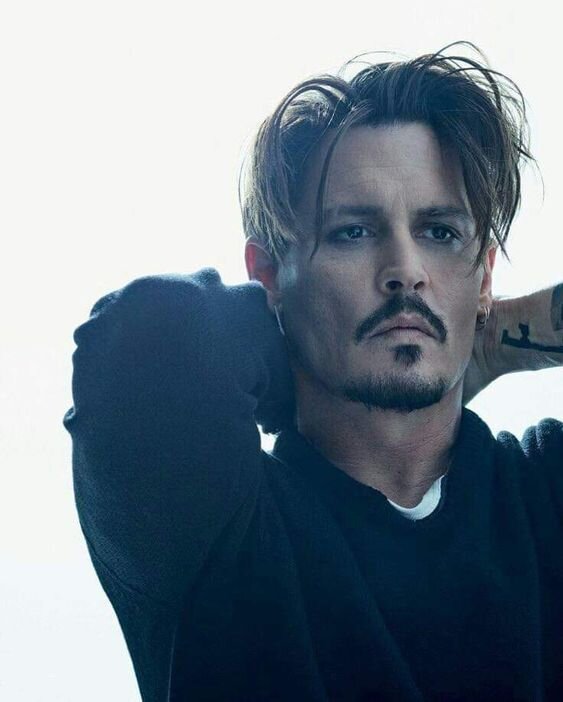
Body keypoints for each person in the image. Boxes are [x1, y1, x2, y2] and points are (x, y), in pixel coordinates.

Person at [63, 42, 563, 701]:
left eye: (439, 232)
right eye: (354, 232)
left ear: (485, 276)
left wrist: (492, 334)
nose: (405, 270)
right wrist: (309, 357)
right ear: (268, 273)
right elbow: (144, 337)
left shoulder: (544, 497)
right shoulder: (213, 529)